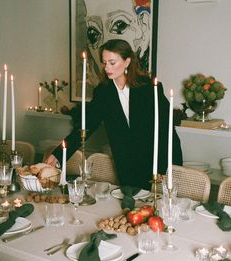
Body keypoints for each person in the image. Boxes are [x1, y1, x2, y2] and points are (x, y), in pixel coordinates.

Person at [45, 39, 183, 190]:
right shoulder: (103, 92)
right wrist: (59, 155)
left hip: (156, 162)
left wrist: (172, 168)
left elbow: (168, 129)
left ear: (127, 61)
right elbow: (86, 126)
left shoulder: (149, 88)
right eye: (104, 63)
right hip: (125, 165)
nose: (106, 68)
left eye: (112, 62)